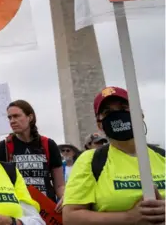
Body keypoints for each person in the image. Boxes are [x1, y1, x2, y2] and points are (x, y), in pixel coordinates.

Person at [63, 86, 166, 224]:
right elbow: (70, 218)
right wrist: (129, 217)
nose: (117, 116)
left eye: (124, 108)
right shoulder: (91, 160)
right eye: (107, 112)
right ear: (100, 125)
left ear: (140, 114)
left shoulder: (162, 157)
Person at [0, 100, 65, 204]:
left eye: (16, 116)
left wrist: (65, 199)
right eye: (10, 118)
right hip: (19, 209)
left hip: (47, 210)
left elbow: (59, 185)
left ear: (30, 117)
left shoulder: (48, 144)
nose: (12, 121)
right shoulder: (4, 147)